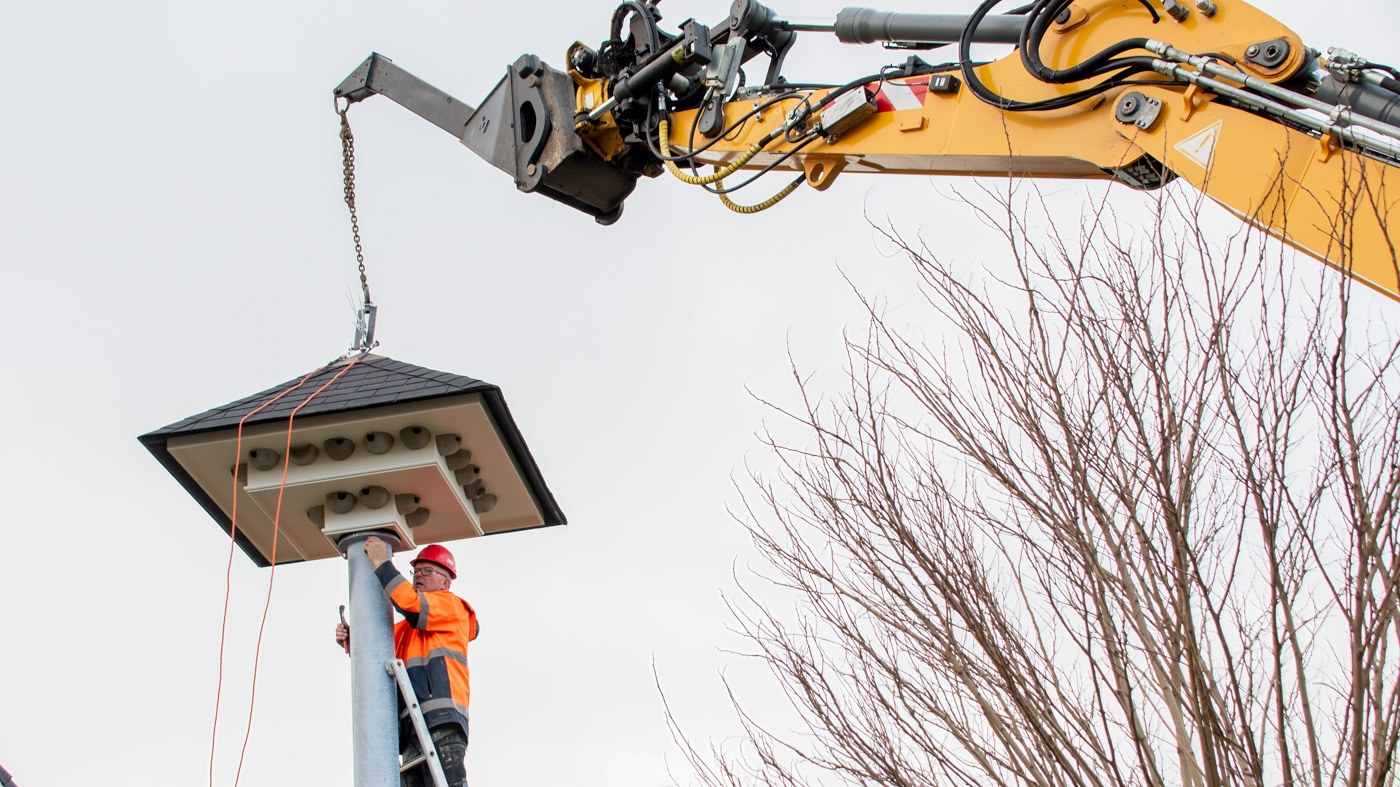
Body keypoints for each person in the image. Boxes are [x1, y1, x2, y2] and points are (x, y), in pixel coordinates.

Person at [335, 537, 478, 787]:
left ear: (446, 582)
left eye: (428, 571)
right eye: (416, 571)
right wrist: (353, 639)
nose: (419, 576)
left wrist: (382, 562)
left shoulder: (453, 607)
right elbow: (377, 648)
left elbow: (409, 603)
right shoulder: (407, 629)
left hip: (441, 722)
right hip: (413, 729)